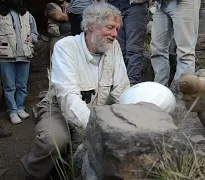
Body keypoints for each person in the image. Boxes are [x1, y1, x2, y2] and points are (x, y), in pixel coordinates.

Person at [20, 3, 130, 179]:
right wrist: (95, 129)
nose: (115, 34)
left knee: (88, 151)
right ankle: (30, 172)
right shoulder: (66, 46)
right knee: (53, 141)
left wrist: (128, 120)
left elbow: (121, 88)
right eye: (110, 27)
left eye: (117, 29)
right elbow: (68, 96)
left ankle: (64, 168)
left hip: (96, 109)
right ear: (91, 25)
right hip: (59, 107)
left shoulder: (113, 46)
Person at [0, 0, 38, 125]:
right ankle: (12, 111)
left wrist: (31, 38)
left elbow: (34, 32)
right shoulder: (1, 13)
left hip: (24, 55)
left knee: (22, 85)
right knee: (9, 86)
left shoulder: (26, 14)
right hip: (6, 56)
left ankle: (20, 108)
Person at [150, 0, 201, 88]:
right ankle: (159, 93)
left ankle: (180, 95)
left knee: (185, 53)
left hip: (184, 3)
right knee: (157, 50)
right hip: (161, 3)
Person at [108, 0, 148, 86]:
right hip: (114, 7)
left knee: (133, 49)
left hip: (135, 6)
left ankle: (132, 84)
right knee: (117, 49)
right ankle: (119, 82)